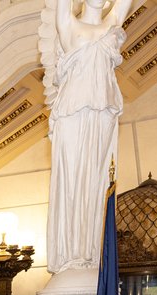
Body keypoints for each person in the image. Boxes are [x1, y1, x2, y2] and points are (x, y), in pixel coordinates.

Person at [45, 0, 135, 273]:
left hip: (102, 113)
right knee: (72, 179)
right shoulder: (69, 24)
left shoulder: (112, 24)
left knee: (96, 183)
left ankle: (90, 252)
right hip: (72, 112)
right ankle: (70, 253)